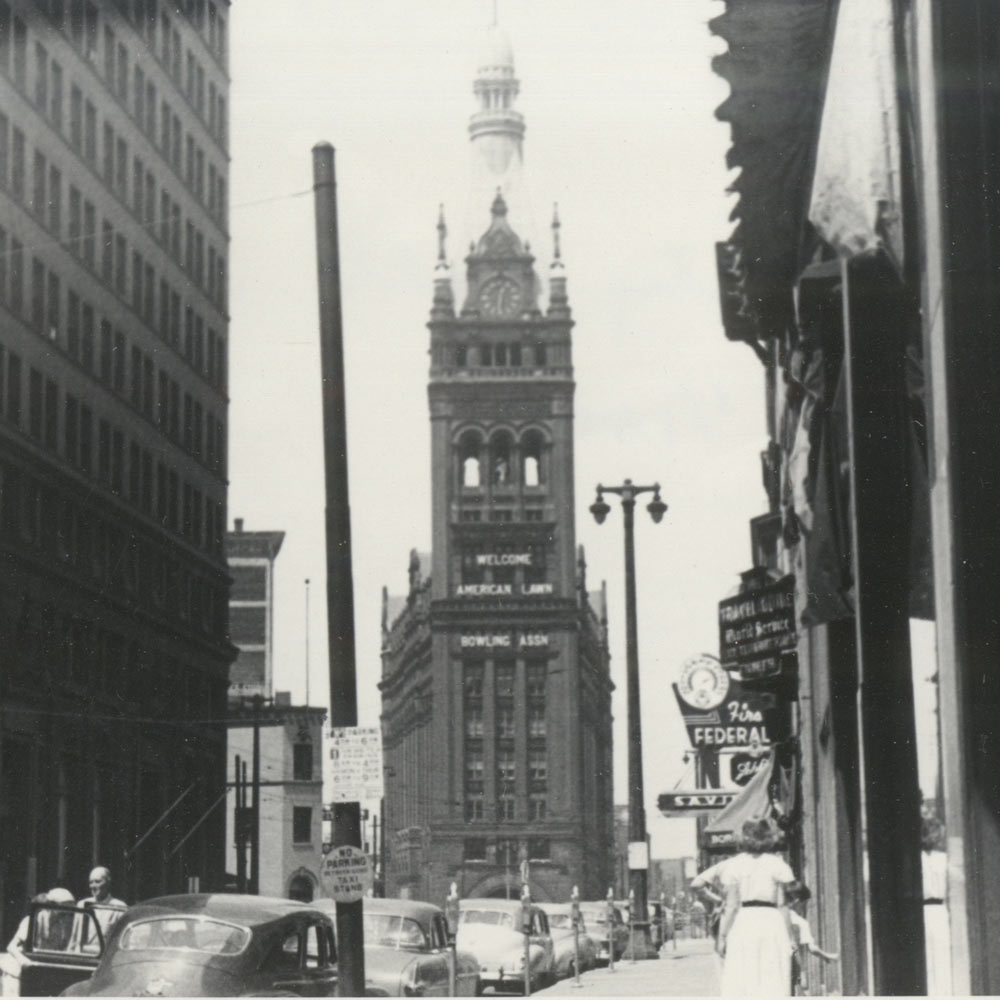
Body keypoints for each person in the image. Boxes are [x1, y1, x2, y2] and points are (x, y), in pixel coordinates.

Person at [716, 817, 795, 997]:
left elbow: (732, 905)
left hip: (744, 921)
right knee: (773, 973)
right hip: (771, 920)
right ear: (768, 837)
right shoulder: (778, 864)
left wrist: (722, 937)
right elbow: (783, 904)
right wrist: (790, 937)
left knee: (744, 973)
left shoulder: (734, 865)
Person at [785, 882, 838, 994]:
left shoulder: (773, 915)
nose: (805, 908)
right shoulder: (801, 922)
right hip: (789, 969)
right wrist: (828, 956)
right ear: (798, 901)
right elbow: (811, 948)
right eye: (805, 904)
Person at [921, 815, 952, 996]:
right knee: (938, 957)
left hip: (928, 910)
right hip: (936, 910)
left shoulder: (920, 859)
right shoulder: (944, 859)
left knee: (932, 957)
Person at [78, 867, 126, 944]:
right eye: (91, 882)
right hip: (82, 954)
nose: (93, 886)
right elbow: (74, 937)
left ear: (108, 882)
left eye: (97, 882)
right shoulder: (82, 905)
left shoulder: (119, 908)